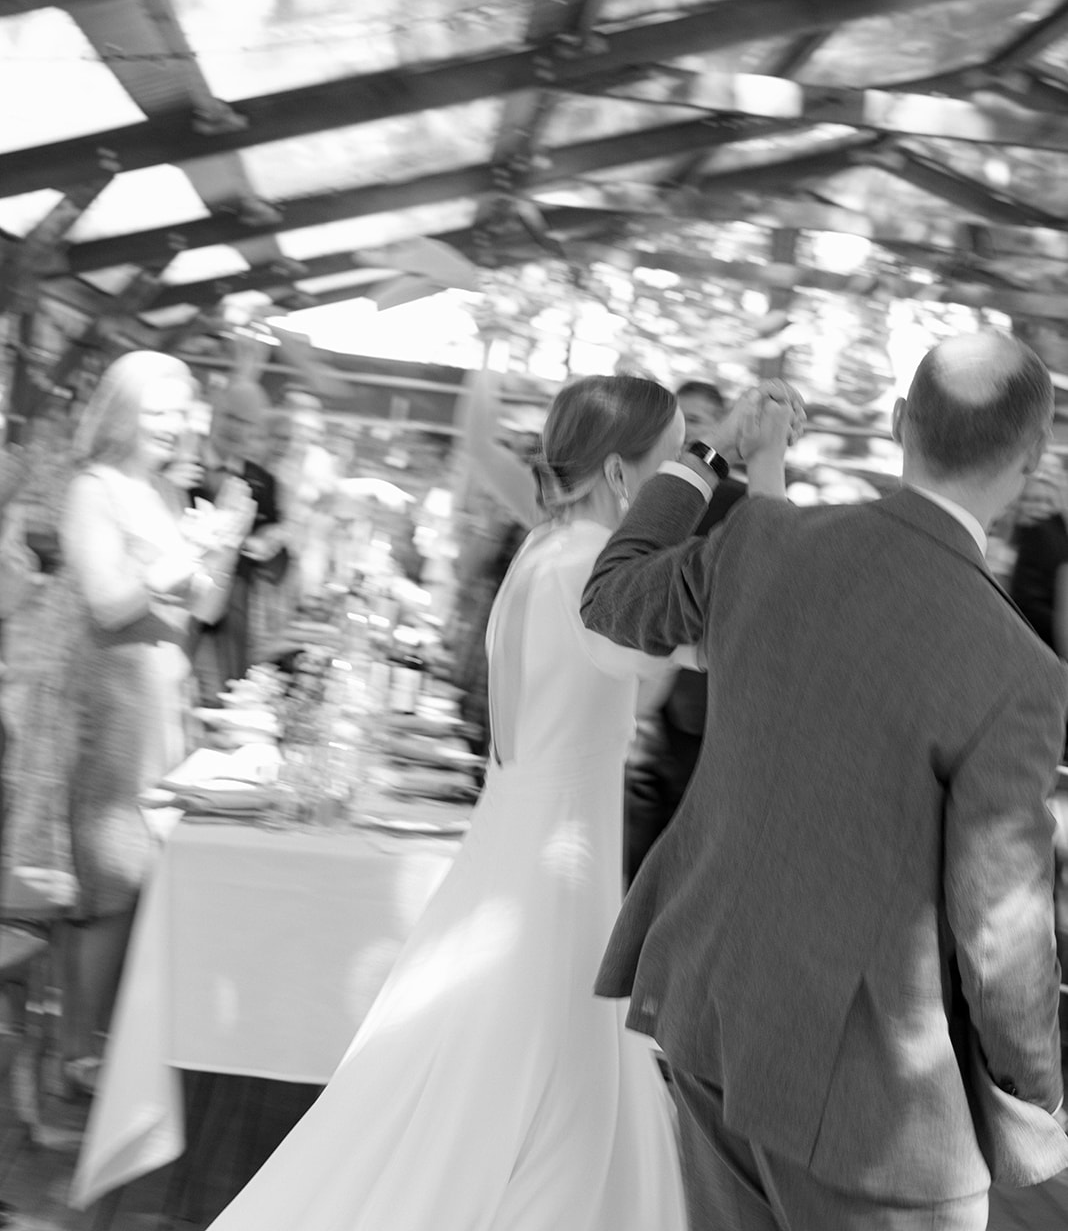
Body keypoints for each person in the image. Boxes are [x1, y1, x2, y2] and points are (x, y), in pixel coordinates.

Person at [200, 373, 787, 1231]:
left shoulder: (545, 550)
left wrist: (735, 461)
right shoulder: (586, 565)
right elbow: (747, 619)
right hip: (556, 868)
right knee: (538, 1079)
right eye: (666, 464)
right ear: (621, 475)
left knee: (519, 1072)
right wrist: (751, 466)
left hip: (523, 845)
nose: (678, 487)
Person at [581, 332, 1068, 1230]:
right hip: (872, 1109)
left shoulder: (766, 540)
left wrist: (706, 453)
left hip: (713, 1020)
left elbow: (612, 592)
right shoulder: (1019, 670)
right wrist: (1038, 1091)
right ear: (1033, 458)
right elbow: (1000, 926)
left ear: (899, 423)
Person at [61, 352, 254, 1093]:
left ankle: (120, 1050)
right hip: (115, 703)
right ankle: (76, 1058)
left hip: (165, 702)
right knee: (112, 878)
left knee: (151, 878)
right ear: (124, 410)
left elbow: (205, 606)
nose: (176, 424)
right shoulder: (94, 489)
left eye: (182, 410)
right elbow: (108, 602)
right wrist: (183, 557)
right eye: (161, 410)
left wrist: (224, 542)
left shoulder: (168, 493)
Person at [624, 378, 748, 881]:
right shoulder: (657, 497)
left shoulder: (741, 503)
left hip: (709, 703)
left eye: (699, 420)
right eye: (682, 422)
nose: (690, 433)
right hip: (653, 706)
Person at [190, 378, 288, 698]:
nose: (235, 428)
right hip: (178, 602)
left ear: (255, 429)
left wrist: (270, 542)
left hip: (230, 616)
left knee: (218, 697)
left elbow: (277, 558)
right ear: (214, 413)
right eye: (230, 416)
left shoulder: (263, 483)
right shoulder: (181, 466)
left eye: (245, 422)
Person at [1010, 451, 1068, 656]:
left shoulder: (1051, 531)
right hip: (1041, 645)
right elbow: (1025, 599)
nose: (1036, 506)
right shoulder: (1040, 532)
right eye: (1031, 499)